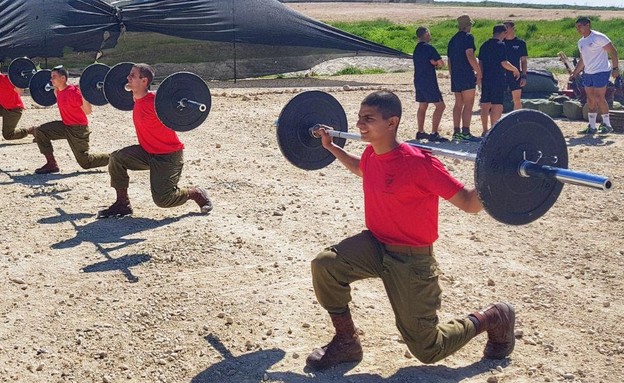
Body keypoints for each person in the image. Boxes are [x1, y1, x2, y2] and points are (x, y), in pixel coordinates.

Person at [305, 90, 516, 371]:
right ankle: (346, 342)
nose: (359, 125)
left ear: (391, 123)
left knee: (428, 349)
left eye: (368, 119)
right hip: (376, 245)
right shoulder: (372, 153)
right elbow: (362, 168)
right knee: (325, 265)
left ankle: (492, 317)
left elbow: (468, 202)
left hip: (411, 259)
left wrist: (501, 175)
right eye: (359, 118)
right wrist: (331, 147)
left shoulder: (419, 163)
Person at [97, 63, 212, 218]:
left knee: (163, 200)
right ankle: (122, 204)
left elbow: (172, 99)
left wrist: (183, 102)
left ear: (144, 81)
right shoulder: (136, 98)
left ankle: (195, 193)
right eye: (129, 74)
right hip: (147, 152)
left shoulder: (158, 102)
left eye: (133, 75)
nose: (127, 77)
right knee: (116, 158)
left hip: (168, 156)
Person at [32, 66, 109, 174]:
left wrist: (84, 95)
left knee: (85, 162)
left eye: (54, 77)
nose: (51, 79)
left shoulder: (74, 92)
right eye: (51, 77)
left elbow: (88, 111)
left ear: (63, 78)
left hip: (78, 129)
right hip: (65, 126)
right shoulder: (57, 91)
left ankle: (113, 158)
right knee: (40, 131)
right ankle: (51, 164)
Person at [571, 17, 620, 135]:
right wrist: (575, 73)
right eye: (577, 27)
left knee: (599, 97)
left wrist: (615, 68)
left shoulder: (598, 37)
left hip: (602, 71)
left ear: (587, 25)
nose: (578, 30)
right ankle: (592, 126)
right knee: (590, 99)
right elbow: (583, 59)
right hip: (588, 72)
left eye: (580, 27)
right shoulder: (581, 42)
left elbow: (613, 51)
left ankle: (607, 125)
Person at [478, 25, 520, 135]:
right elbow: (504, 63)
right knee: (497, 105)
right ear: (504, 33)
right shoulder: (501, 45)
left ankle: (484, 130)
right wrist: (515, 69)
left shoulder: (484, 45)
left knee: (485, 105)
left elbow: (480, 63)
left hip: (486, 78)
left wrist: (480, 76)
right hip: (497, 78)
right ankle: (493, 130)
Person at [447, 14, 482, 142]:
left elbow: (449, 60)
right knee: (469, 103)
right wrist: (479, 71)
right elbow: (469, 54)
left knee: (458, 103)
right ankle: (466, 131)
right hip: (466, 73)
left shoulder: (452, 40)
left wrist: (452, 74)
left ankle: (456, 132)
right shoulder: (468, 37)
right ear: (468, 26)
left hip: (456, 74)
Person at [413, 26, 448, 142]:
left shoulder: (416, 49)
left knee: (423, 105)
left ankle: (421, 131)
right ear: (426, 34)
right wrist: (435, 64)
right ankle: (434, 132)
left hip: (418, 80)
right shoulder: (429, 48)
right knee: (440, 106)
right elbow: (441, 63)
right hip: (429, 80)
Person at [503, 21, 528, 110]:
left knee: (517, 100)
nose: (505, 30)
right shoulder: (500, 43)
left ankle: (518, 119)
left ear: (513, 29)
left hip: (515, 75)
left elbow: (524, 61)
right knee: (496, 100)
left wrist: (524, 75)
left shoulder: (520, 43)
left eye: (507, 28)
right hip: (501, 74)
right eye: (504, 28)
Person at [0, 73, 32, 141]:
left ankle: (31, 131)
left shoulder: (6, 79)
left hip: (14, 109)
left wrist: (18, 82)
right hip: (3, 107)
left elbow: (20, 91)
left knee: (8, 135)